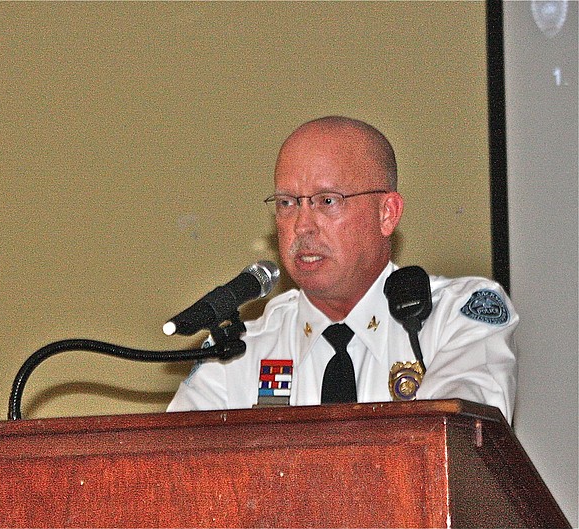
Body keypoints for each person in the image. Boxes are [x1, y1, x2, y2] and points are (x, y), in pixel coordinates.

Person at [167, 116, 518, 422]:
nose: (302, 225)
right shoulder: (239, 352)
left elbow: (454, 445)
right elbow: (173, 472)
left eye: (327, 201)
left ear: (387, 214)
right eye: (287, 203)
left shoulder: (455, 319)